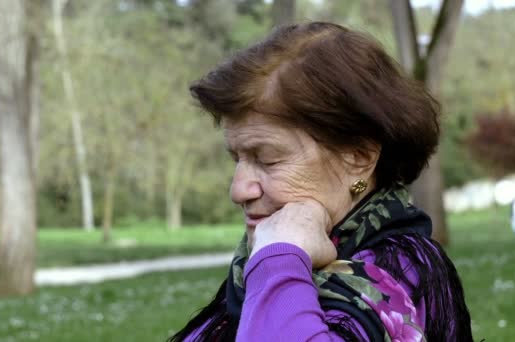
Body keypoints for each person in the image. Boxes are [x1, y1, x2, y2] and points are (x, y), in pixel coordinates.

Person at [170, 22, 473, 342]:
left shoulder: (399, 272)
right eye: (237, 159)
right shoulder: (257, 267)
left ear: (359, 157)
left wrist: (278, 261)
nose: (238, 190)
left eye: (268, 159)